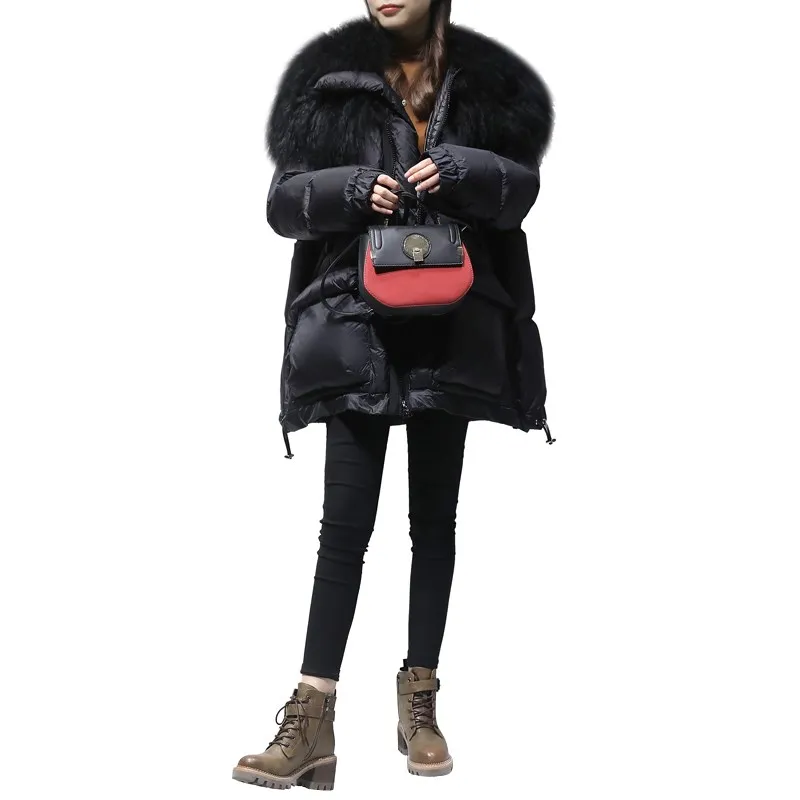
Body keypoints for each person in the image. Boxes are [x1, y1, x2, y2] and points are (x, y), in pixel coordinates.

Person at [232, 0, 554, 790]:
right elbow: (282, 204)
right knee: (342, 530)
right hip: (355, 327)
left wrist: (463, 171)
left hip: (451, 328)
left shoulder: (490, 83)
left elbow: (521, 193)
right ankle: (312, 718)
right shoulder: (325, 82)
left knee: (433, 525)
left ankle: (420, 704)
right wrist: (350, 189)